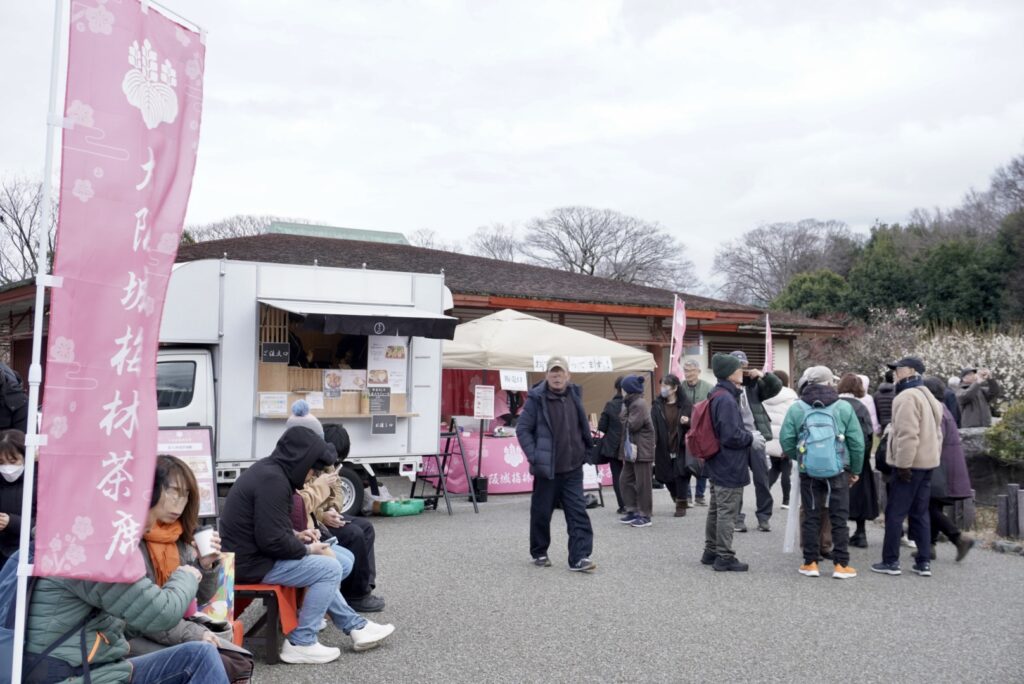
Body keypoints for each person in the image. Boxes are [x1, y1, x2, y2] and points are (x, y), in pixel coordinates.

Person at [220, 402, 394, 663]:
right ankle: (302, 641)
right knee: (329, 567)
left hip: (249, 557)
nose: (311, 473)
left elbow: (267, 529)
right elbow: (272, 540)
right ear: (302, 460)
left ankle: (354, 626)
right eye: (312, 467)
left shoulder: (269, 472)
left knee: (330, 562)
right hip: (252, 564)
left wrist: (296, 536)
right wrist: (307, 548)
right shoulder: (274, 481)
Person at [25, 465, 230, 683]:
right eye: (172, 492)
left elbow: (134, 611)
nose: (177, 503)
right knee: (203, 654)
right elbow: (158, 611)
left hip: (101, 657)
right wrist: (186, 576)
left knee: (207, 653)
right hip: (80, 671)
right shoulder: (93, 549)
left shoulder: (77, 538)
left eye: (186, 494)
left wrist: (203, 566)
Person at [781, 367, 864, 579]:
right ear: (829, 383)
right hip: (838, 469)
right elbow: (856, 442)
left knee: (811, 514)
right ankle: (841, 565)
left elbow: (786, 439)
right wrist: (855, 469)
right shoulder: (843, 407)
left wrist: (800, 459)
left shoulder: (797, 408)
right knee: (839, 516)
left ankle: (810, 563)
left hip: (808, 469)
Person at [516, 356, 596, 572]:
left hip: (573, 467)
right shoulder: (536, 399)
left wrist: (587, 450)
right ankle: (539, 551)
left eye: (561, 372)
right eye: (553, 372)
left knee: (578, 512)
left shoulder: (574, 395)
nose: (557, 376)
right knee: (542, 513)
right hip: (547, 469)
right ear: (546, 375)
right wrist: (535, 456)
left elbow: (581, 426)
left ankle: (580, 557)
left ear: (568, 375)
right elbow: (522, 429)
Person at [871, 356, 943, 577]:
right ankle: (923, 562)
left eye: (898, 369)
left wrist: (903, 465)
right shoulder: (927, 393)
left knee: (895, 512)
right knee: (920, 512)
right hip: (928, 462)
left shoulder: (907, 397)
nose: (894, 372)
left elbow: (907, 435)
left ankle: (891, 561)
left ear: (911, 371)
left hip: (910, 463)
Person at [306, 422, 385, 612]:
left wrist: (333, 509)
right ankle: (355, 595)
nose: (334, 461)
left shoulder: (330, 465)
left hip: (325, 516)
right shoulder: (309, 465)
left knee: (366, 528)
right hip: (312, 521)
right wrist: (322, 515)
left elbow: (338, 493)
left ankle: (364, 587)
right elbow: (300, 502)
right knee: (354, 534)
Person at [700, 353, 756, 572]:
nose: (742, 371)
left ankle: (711, 551)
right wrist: (751, 437)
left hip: (717, 460)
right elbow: (731, 435)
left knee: (716, 508)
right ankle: (724, 555)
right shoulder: (726, 398)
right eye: (739, 369)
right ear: (731, 373)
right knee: (727, 511)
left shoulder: (716, 393)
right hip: (729, 462)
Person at [922, 377, 976, 562]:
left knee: (927, 504)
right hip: (947, 465)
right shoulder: (943, 409)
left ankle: (957, 537)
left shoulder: (935, 410)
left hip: (939, 465)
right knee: (933, 505)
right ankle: (929, 546)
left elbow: (935, 439)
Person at [730, 351, 782, 533]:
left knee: (762, 478)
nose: (740, 370)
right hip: (737, 439)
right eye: (736, 366)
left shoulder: (754, 386)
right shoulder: (726, 387)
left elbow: (776, 387)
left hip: (756, 436)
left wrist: (763, 375)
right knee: (738, 480)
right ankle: (737, 518)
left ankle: (764, 517)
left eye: (742, 366)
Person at [837, 374, 879, 549]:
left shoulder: (834, 405)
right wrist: (862, 458)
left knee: (837, 497)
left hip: (837, 457)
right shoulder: (861, 407)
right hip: (858, 458)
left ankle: (838, 533)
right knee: (861, 496)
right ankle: (861, 533)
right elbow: (868, 434)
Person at [651, 374, 693, 517]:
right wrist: (653, 441)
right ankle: (676, 498)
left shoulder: (686, 404)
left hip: (681, 445)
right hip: (663, 446)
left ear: (675, 388)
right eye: (661, 385)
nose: (662, 389)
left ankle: (681, 505)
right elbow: (653, 425)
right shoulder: (657, 405)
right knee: (665, 477)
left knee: (681, 475)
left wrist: (687, 421)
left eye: (665, 386)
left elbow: (696, 425)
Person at [618, 375, 656, 528]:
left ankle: (645, 515)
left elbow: (632, 425)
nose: (621, 391)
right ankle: (632, 510)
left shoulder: (638, 404)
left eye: (623, 388)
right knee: (625, 480)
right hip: (632, 449)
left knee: (643, 483)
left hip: (642, 449)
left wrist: (623, 414)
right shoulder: (631, 403)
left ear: (627, 390)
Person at [763, 370, 797, 510]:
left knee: (774, 468)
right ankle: (786, 500)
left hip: (770, 438)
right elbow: (794, 417)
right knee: (786, 470)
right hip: (785, 438)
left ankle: (764, 494)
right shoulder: (790, 395)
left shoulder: (765, 394)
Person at [681, 360, 712, 505]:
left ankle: (700, 495)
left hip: (702, 431)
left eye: (691, 370)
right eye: (686, 370)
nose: (688, 373)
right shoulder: (680, 387)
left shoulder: (708, 387)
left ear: (698, 371)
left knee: (702, 462)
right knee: (685, 463)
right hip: (684, 430)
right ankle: (687, 495)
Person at [597, 377, 627, 513]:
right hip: (631, 444)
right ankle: (635, 503)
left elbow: (602, 427)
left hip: (613, 445)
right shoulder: (636, 404)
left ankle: (623, 505)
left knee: (617, 475)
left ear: (617, 388)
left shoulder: (610, 405)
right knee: (634, 474)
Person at [0, 429, 29, 570]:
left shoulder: (38, 483)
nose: (7, 467)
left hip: (23, 555)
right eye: (1, 462)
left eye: (12, 461)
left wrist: (11, 522)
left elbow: (45, 526)